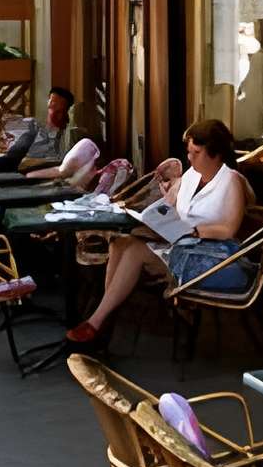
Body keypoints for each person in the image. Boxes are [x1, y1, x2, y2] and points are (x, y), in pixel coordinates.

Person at [66, 118, 252, 346]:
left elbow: (229, 229)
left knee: (135, 251)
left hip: (210, 257)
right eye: (189, 151)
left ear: (215, 154)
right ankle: (105, 319)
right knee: (119, 243)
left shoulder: (231, 181)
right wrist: (165, 204)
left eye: (196, 152)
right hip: (180, 244)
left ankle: (97, 323)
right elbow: (175, 208)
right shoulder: (192, 177)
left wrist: (194, 231)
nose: (190, 158)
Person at [0, 84, 77, 171]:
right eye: (51, 103)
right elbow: (15, 155)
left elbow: (61, 161)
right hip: (17, 163)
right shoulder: (34, 127)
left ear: (67, 111)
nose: (53, 110)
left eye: (59, 110)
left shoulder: (69, 135)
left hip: (32, 170)